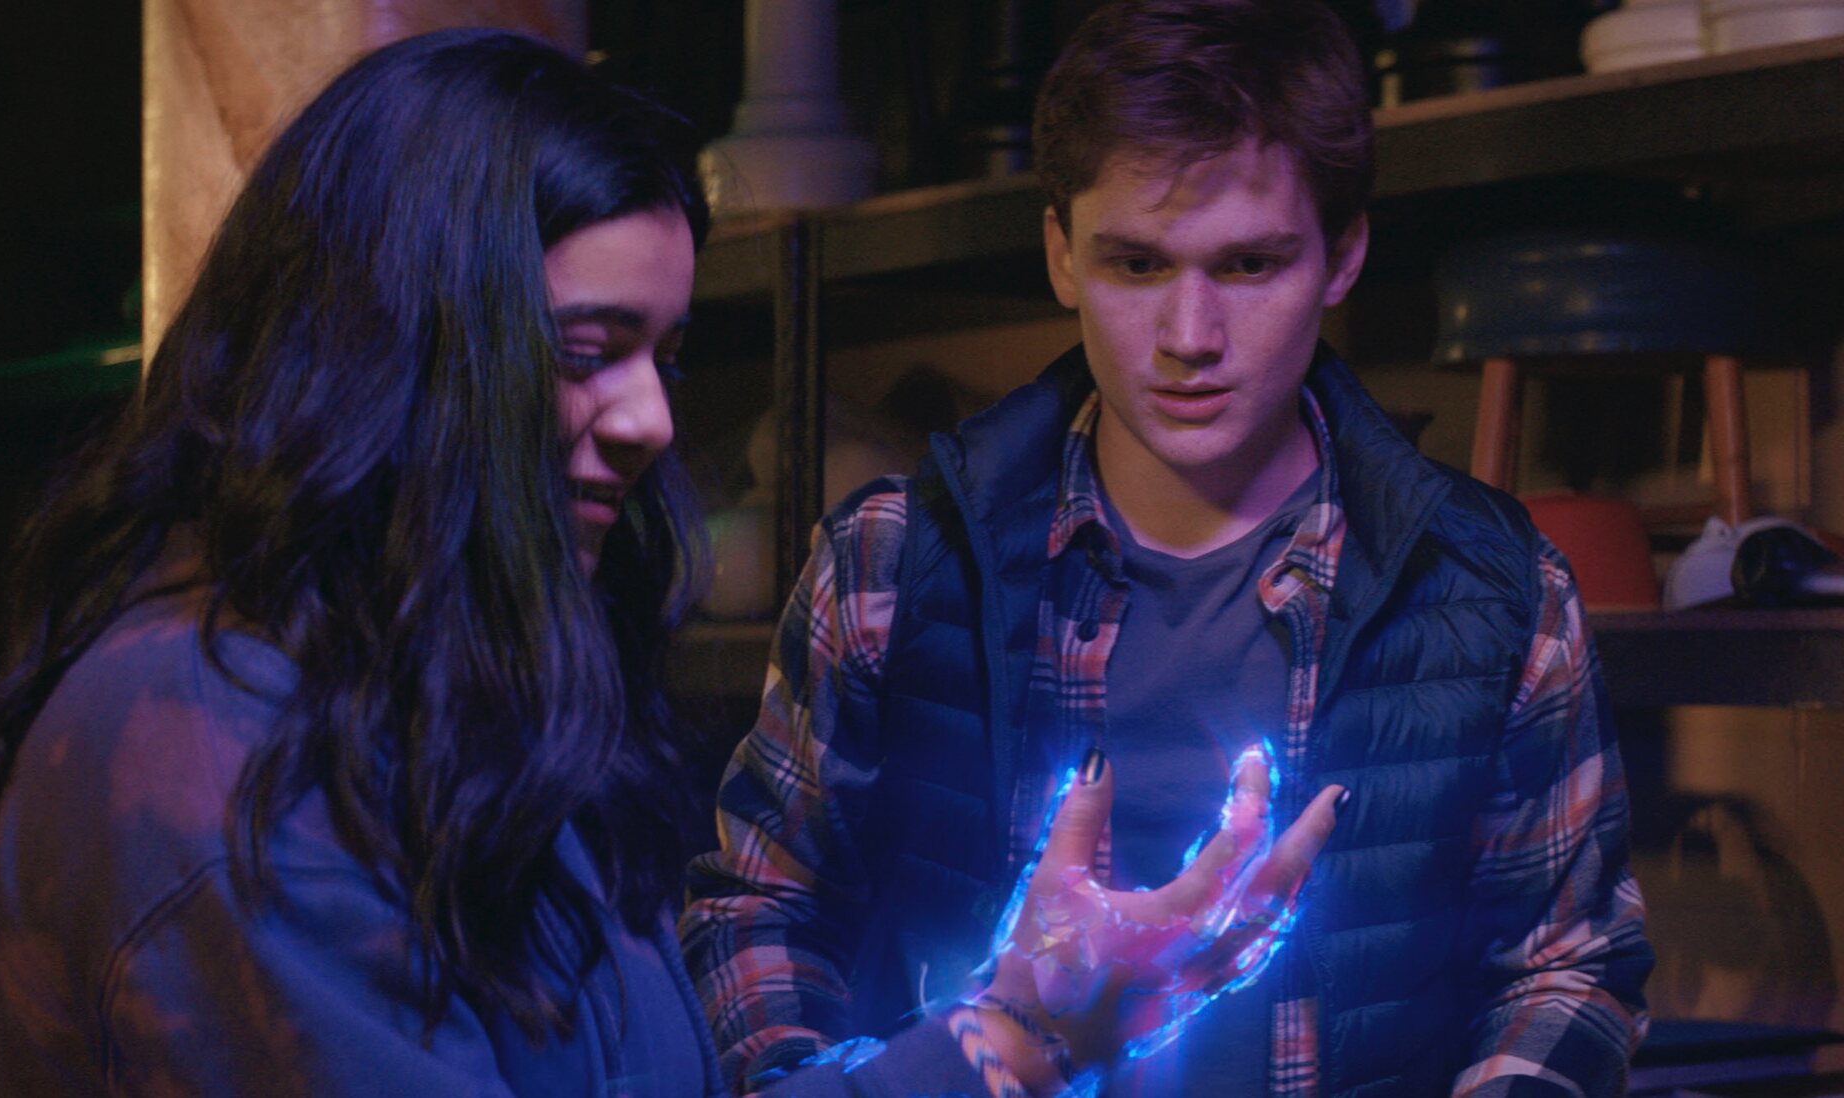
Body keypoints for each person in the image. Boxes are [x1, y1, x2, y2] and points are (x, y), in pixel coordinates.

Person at [0, 27, 1333, 1098]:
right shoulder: (218, 757)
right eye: (587, 350)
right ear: (397, 350)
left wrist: (1027, 1025)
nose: (651, 419)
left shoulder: (448, 697)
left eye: (665, 355)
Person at [682, 1, 1654, 1095]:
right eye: (1137, 265)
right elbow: (757, 908)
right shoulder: (891, 565)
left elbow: (1568, 966)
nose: (1190, 338)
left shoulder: (1490, 588)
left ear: (1343, 256)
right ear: (1060, 254)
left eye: (1248, 265)